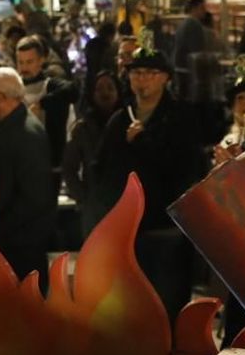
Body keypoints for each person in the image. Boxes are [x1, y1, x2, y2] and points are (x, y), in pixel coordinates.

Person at [90, 48, 207, 318]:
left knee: (166, 305)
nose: (142, 79)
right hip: (127, 228)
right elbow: (101, 169)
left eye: (149, 73)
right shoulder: (120, 119)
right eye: (136, 73)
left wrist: (144, 144)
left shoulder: (180, 117)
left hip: (167, 228)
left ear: (165, 78)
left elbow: (185, 168)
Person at [0, 67, 56, 285]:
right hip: (9, 239)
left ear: (1, 97)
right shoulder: (7, 125)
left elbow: (35, 197)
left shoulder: (26, 134)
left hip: (20, 245)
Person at [63, 70, 125, 237]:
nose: (105, 93)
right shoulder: (82, 128)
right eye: (99, 88)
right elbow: (69, 167)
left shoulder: (127, 124)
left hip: (124, 202)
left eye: (110, 88)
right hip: (94, 205)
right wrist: (84, 198)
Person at [15, 34, 78, 169]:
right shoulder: (13, 87)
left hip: (48, 163)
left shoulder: (51, 86)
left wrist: (41, 104)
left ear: (41, 60)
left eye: (29, 62)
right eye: (21, 62)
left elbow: (72, 90)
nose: (24, 68)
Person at [171, 0, 209, 101]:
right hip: (188, 69)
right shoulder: (193, 24)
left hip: (180, 67)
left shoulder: (183, 23)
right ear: (194, 8)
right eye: (202, 8)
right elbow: (196, 50)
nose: (204, 11)